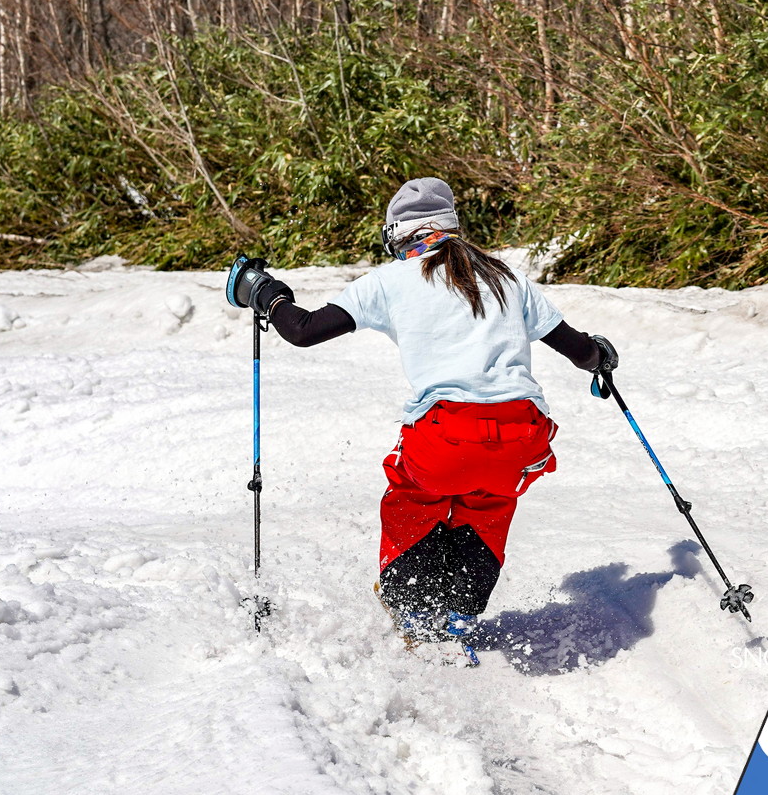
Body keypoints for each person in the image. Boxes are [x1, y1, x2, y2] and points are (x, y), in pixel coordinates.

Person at [228, 177, 617, 663]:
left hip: (445, 432)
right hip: (523, 433)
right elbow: (582, 353)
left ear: (396, 236)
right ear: (452, 226)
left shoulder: (389, 282)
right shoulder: (507, 277)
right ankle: (460, 614)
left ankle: (416, 612)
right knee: (487, 507)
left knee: (413, 498)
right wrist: (600, 354)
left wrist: (265, 295)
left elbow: (302, 331)